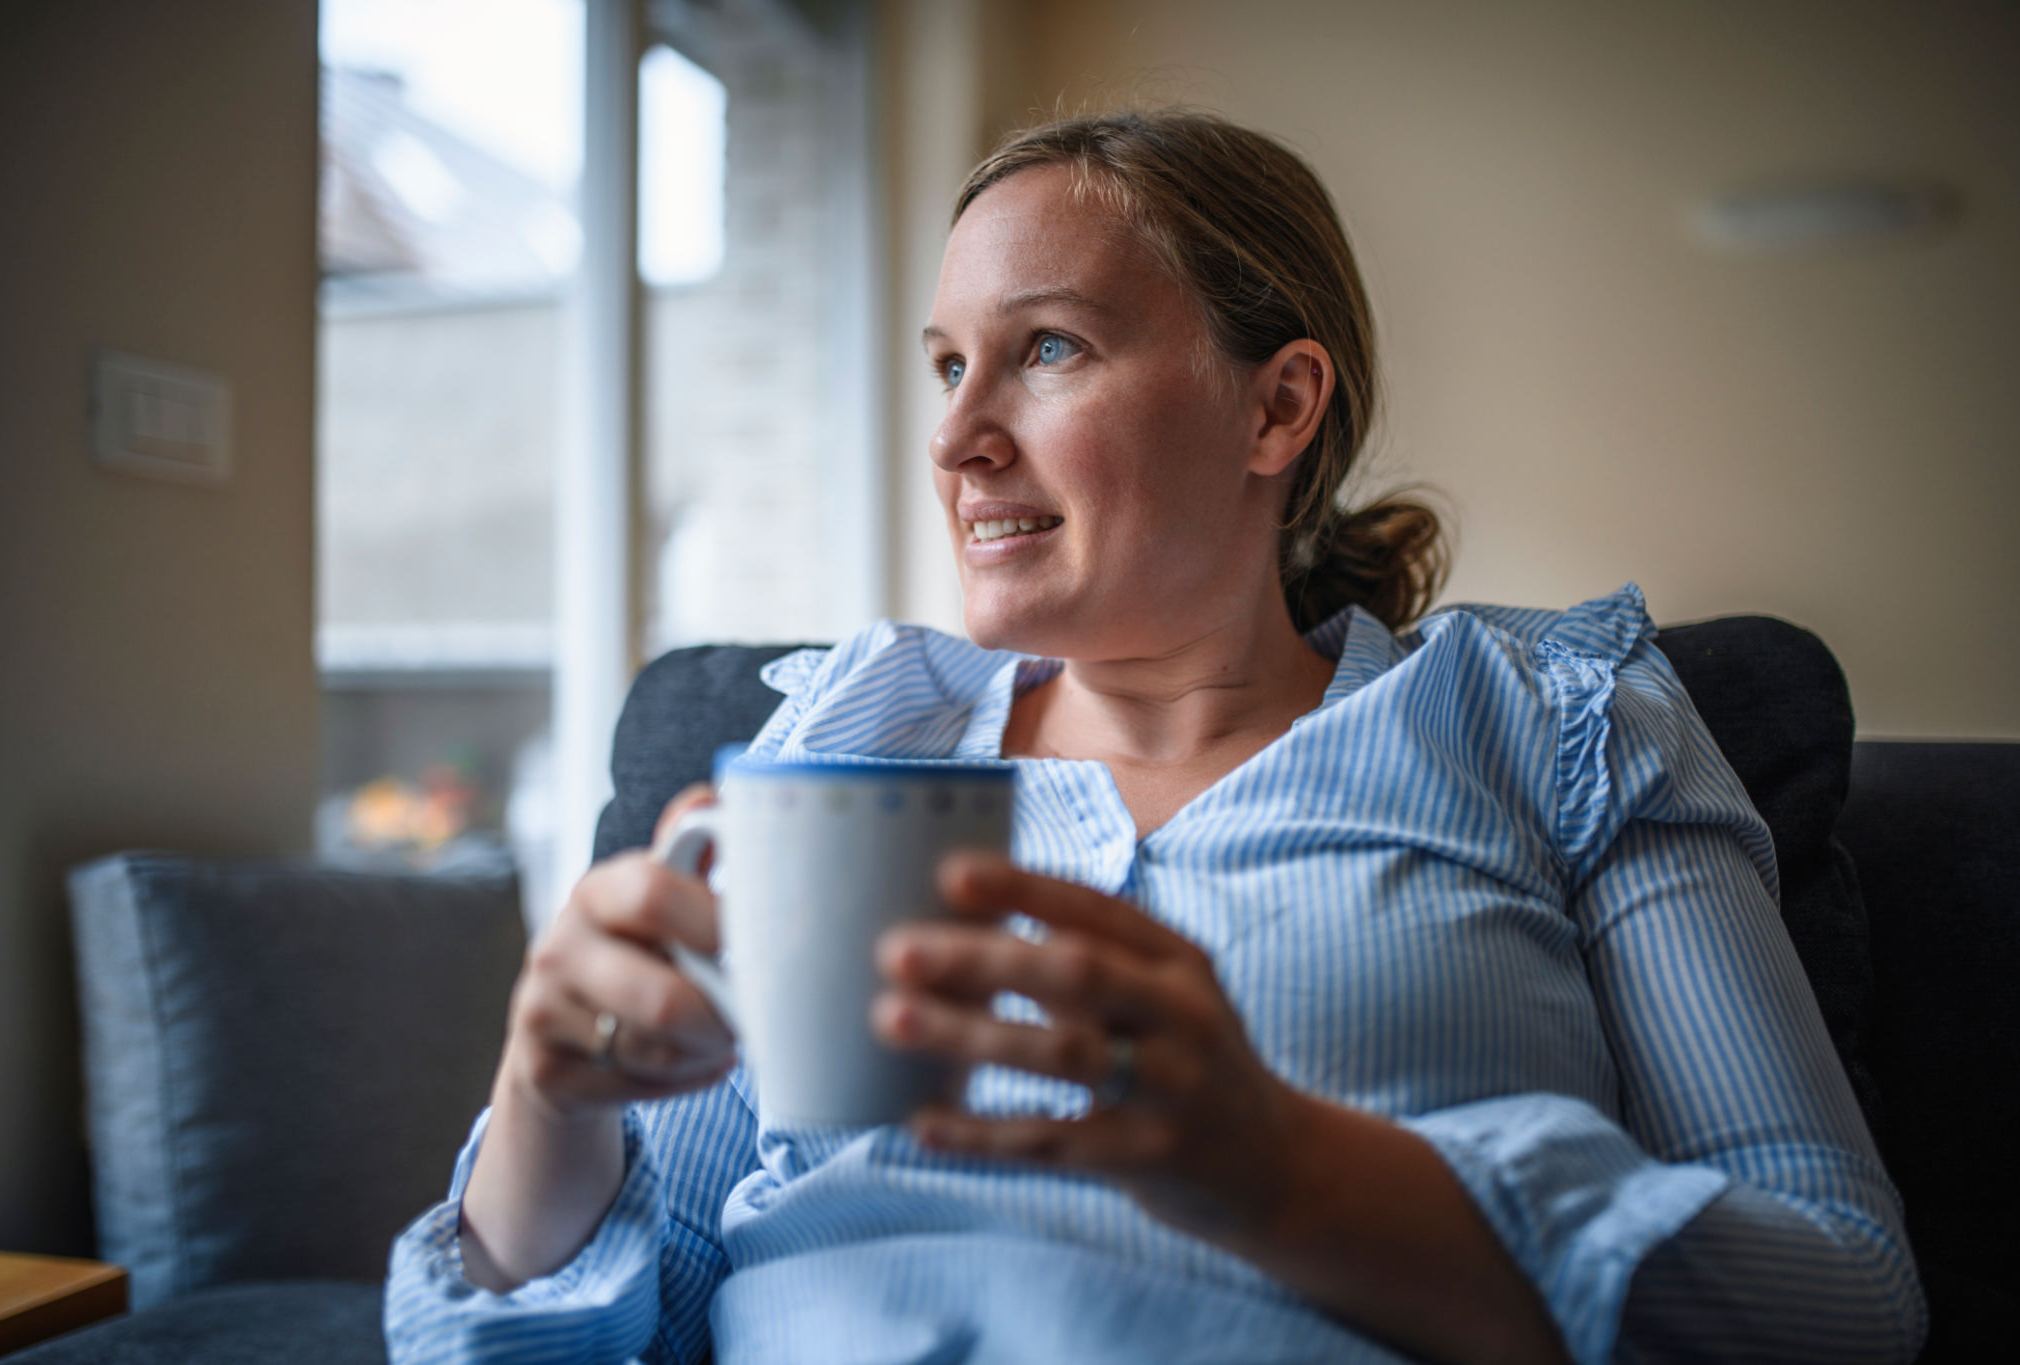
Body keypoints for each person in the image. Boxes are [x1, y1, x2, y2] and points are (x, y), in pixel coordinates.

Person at [385, 110, 1925, 1364]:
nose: (957, 433)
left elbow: (1843, 1295)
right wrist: (546, 1101)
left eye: (1046, 347)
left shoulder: (1555, 718)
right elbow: (604, 1325)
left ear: (1277, 409)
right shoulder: (854, 747)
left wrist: (1276, 1165)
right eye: (946, 362)